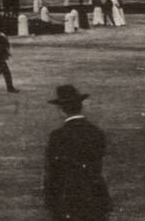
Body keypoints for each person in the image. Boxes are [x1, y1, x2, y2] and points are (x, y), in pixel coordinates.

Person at [43, 85, 111, 221]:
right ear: (81, 106)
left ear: (61, 110)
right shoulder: (96, 133)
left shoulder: (58, 136)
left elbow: (53, 172)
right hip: (95, 195)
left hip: (68, 198)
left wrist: (51, 202)